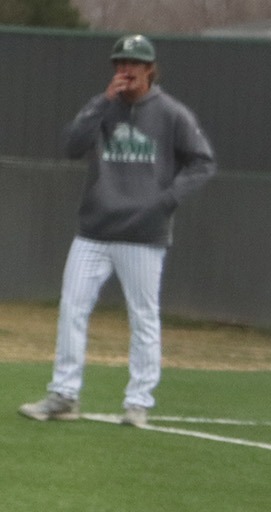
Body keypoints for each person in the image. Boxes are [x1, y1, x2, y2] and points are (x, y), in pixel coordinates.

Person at [18, 34, 216, 429]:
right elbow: (72, 145)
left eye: (134, 63)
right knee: (72, 307)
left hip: (143, 233)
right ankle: (64, 394)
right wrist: (102, 101)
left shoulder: (171, 113)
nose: (125, 69)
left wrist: (166, 200)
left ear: (149, 68)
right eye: (120, 62)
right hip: (94, 229)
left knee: (143, 317)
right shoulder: (103, 107)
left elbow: (202, 163)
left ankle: (138, 401)